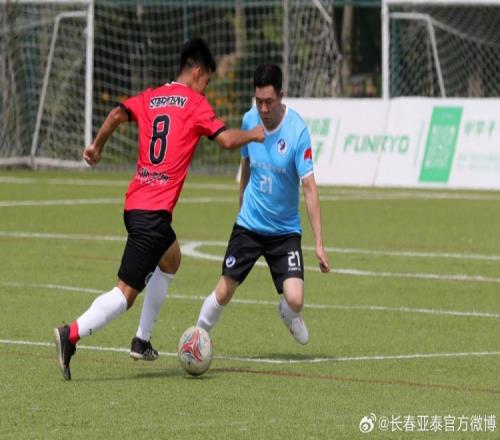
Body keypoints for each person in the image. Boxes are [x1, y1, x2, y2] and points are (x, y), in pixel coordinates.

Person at [53, 38, 265, 380]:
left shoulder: (151, 96)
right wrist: (253, 134)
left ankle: (142, 340)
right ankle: (71, 334)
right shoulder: (194, 103)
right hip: (151, 214)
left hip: (137, 203)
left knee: (171, 259)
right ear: (196, 72)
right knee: (124, 294)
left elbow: (116, 114)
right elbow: (226, 140)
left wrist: (96, 146)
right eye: (207, 81)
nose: (206, 89)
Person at [195, 64, 330, 345]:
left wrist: (319, 243)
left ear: (281, 95)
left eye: (269, 101)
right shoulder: (249, 120)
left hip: (285, 231)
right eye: (259, 101)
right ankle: (196, 339)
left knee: (295, 299)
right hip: (250, 224)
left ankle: (289, 315)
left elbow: (309, 187)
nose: (264, 109)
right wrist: (241, 201)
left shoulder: (297, 131)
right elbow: (246, 163)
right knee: (224, 291)